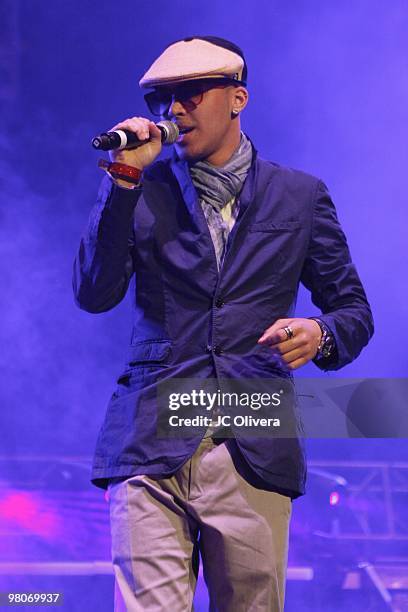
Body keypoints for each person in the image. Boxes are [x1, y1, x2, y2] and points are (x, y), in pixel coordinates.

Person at [73, 36, 374, 611]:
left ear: (237, 98)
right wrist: (122, 181)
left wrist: (322, 334)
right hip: (150, 440)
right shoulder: (139, 188)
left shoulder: (300, 196)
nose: (173, 112)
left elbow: (354, 311)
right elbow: (93, 292)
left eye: (189, 95)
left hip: (251, 442)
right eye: (163, 100)